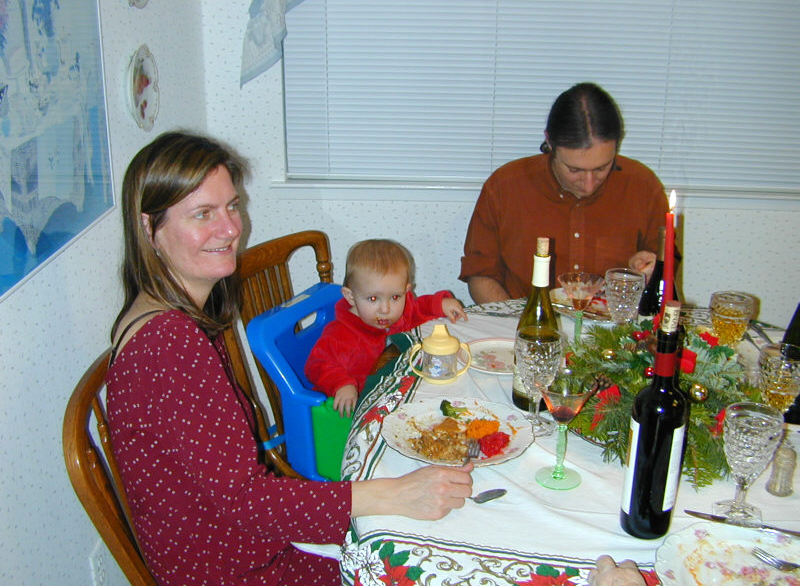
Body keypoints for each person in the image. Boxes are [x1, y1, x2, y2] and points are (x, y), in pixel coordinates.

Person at [105, 131, 474, 586]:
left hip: (242, 547)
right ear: (149, 228)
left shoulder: (162, 314)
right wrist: (391, 494)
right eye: (203, 214)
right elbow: (247, 502)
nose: (230, 228)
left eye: (232, 206)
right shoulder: (170, 345)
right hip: (234, 570)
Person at [460, 82, 670, 304]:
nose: (589, 185)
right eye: (575, 170)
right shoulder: (505, 186)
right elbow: (480, 274)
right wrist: (517, 326)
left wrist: (651, 272)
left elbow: (664, 276)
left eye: (601, 168)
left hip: (613, 332)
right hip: (524, 324)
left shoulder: (642, 187)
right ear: (550, 142)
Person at [305, 238, 467, 417]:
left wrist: (440, 304)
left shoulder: (399, 311)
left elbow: (418, 308)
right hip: (355, 410)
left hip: (393, 394)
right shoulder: (339, 334)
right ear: (350, 297)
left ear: (406, 291)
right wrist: (342, 384)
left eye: (395, 297)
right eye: (373, 299)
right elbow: (317, 365)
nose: (386, 309)